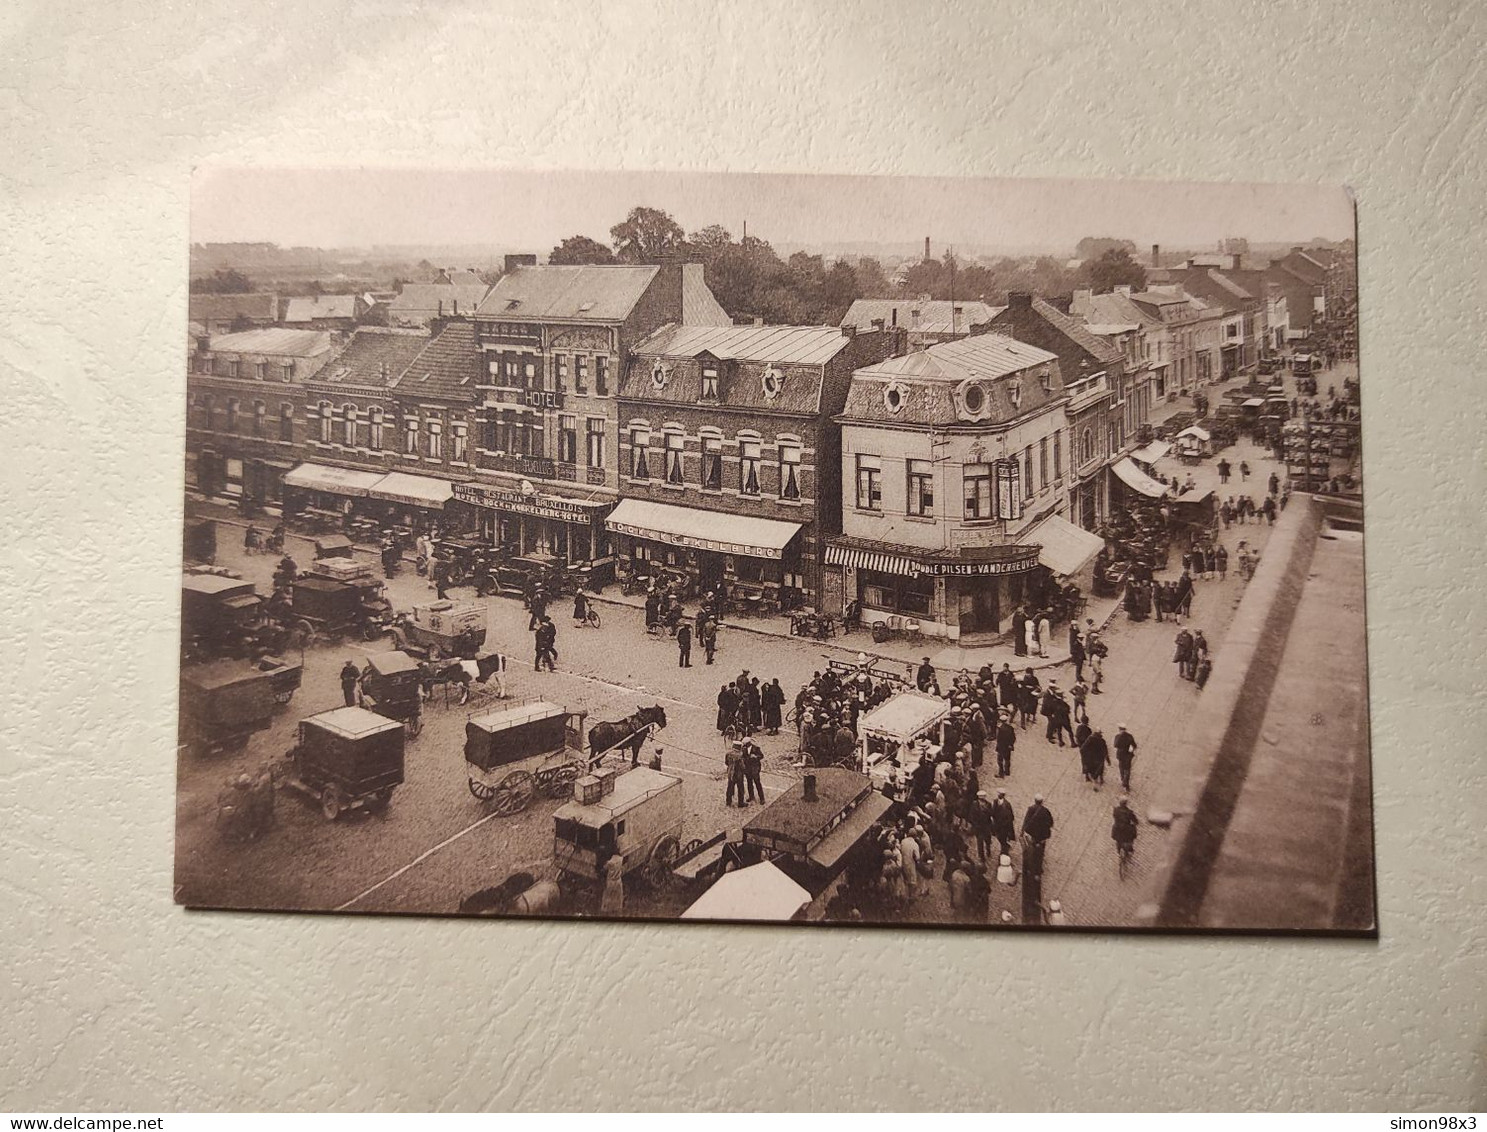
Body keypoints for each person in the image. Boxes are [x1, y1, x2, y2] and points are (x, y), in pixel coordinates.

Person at [1021, 794, 1054, 881]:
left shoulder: (1031, 809)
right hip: (1042, 837)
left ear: (1035, 801)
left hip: (1033, 836)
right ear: (1042, 802)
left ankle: (1031, 866)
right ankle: (1039, 868)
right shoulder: (1046, 811)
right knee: (1040, 852)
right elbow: (1051, 823)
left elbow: (1026, 821)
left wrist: (1022, 832)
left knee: (1032, 851)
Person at [990, 788, 1017, 855]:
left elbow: (1011, 817)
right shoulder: (995, 801)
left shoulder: (1007, 804)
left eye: (999, 794)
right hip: (996, 824)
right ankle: (1005, 846)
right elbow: (993, 812)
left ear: (1002, 795)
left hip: (1004, 826)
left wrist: (1006, 824)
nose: (998, 795)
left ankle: (1004, 852)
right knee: (998, 837)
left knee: (1003, 838)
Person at [1113, 725, 1138, 791]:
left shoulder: (1117, 736)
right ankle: (1126, 784)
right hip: (1128, 756)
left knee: (1121, 768)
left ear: (1120, 730)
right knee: (1127, 770)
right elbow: (1134, 745)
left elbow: (1115, 745)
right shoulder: (1130, 736)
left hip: (1120, 756)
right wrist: (1131, 749)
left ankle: (1123, 780)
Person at [742, 739, 765, 804]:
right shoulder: (744, 749)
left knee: (757, 783)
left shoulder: (756, 748)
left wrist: (755, 757)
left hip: (755, 768)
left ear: (748, 743)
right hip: (748, 768)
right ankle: (751, 796)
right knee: (749, 783)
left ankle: (762, 798)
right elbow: (743, 757)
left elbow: (761, 756)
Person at [724, 743, 747, 807]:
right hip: (739, 775)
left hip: (730, 773)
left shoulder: (728, 754)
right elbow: (742, 766)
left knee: (730, 788)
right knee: (740, 789)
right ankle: (740, 803)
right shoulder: (740, 755)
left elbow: (726, 763)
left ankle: (728, 802)